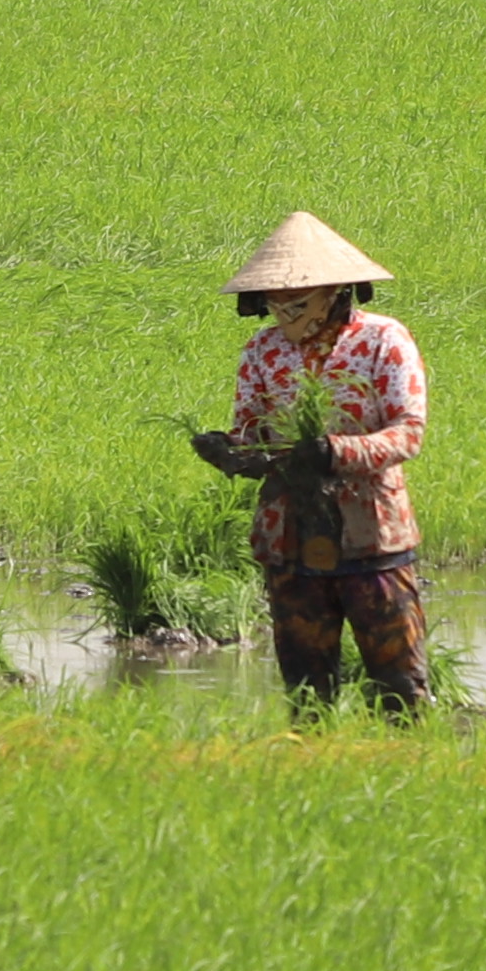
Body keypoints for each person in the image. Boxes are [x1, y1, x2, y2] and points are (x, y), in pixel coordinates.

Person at [189, 210, 429, 714]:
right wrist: (231, 454)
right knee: (306, 691)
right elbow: (252, 432)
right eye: (275, 306)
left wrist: (335, 452)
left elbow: (408, 433)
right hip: (289, 535)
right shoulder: (263, 351)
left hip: (371, 534)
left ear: (334, 293)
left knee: (398, 684)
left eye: (297, 304)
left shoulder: (383, 341)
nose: (284, 317)